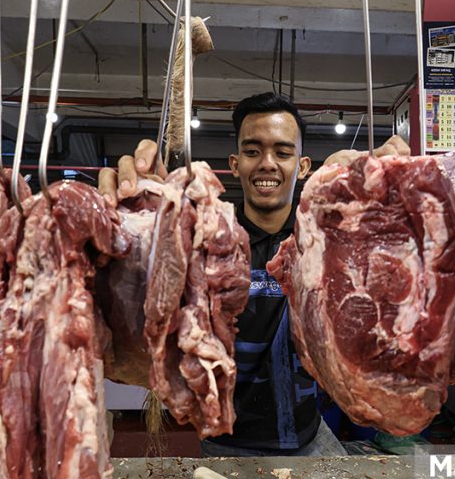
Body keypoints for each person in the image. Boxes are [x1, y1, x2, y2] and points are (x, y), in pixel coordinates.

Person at [100, 92, 409, 456]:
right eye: (252, 151)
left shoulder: (322, 242)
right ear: (234, 163)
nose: (267, 163)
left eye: (282, 152)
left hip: (312, 438)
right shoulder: (206, 243)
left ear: (304, 165)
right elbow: (145, 333)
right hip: (226, 443)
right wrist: (145, 228)